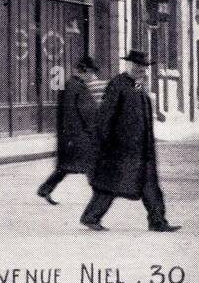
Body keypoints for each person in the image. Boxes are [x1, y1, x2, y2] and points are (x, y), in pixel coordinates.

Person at [80, 50, 180, 232]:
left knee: (150, 185)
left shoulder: (138, 86)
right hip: (121, 147)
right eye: (137, 66)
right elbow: (105, 116)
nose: (141, 70)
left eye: (143, 67)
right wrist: (104, 143)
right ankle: (91, 216)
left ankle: (158, 222)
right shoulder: (117, 84)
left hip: (142, 148)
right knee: (110, 184)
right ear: (128, 66)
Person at [37, 55, 100, 204]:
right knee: (91, 166)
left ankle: (45, 189)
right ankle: (100, 197)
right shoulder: (79, 88)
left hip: (70, 137)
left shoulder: (69, 85)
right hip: (80, 137)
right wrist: (94, 131)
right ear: (84, 71)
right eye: (91, 73)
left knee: (66, 167)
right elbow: (88, 113)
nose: (93, 77)